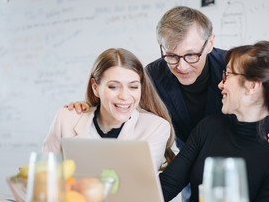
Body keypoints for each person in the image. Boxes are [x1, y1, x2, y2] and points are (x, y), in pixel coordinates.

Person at [66, 6, 269, 202]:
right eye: (171, 55)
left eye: (191, 55)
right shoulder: (154, 75)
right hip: (193, 166)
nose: (181, 66)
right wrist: (90, 106)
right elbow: (122, 104)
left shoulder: (235, 69)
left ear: (210, 43)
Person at [160, 39, 269, 202]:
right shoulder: (208, 128)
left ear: (252, 85)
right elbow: (166, 187)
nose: (220, 85)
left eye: (228, 75)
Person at [43, 48, 175, 171]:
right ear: (95, 88)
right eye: (113, 87)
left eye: (133, 87)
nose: (124, 96)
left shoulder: (156, 127)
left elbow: (140, 187)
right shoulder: (66, 118)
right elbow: (43, 178)